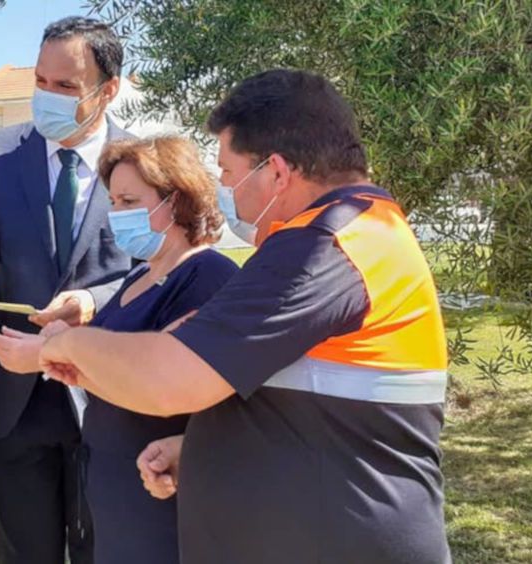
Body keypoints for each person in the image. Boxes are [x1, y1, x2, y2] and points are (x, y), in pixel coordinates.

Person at [38, 69, 451, 563]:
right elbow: (310, 402)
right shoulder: (355, 233)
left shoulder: (323, 247)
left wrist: (64, 344)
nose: (226, 189)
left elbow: (170, 378)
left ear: (276, 171)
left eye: (229, 173)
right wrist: (204, 449)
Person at [0, 16, 133, 564]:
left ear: (108, 90)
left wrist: (94, 302)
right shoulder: (0, 153)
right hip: (15, 393)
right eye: (41, 81)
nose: (47, 96)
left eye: (66, 87)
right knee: (23, 551)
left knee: (105, 548)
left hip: (109, 391)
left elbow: (161, 269)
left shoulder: (143, 163)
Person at [0, 136, 238, 564]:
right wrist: (58, 348)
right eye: (113, 202)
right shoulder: (140, 274)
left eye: (128, 201)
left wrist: (53, 355)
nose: (116, 215)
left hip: (162, 495)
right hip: (114, 491)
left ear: (175, 201)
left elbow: (168, 381)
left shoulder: (206, 274)